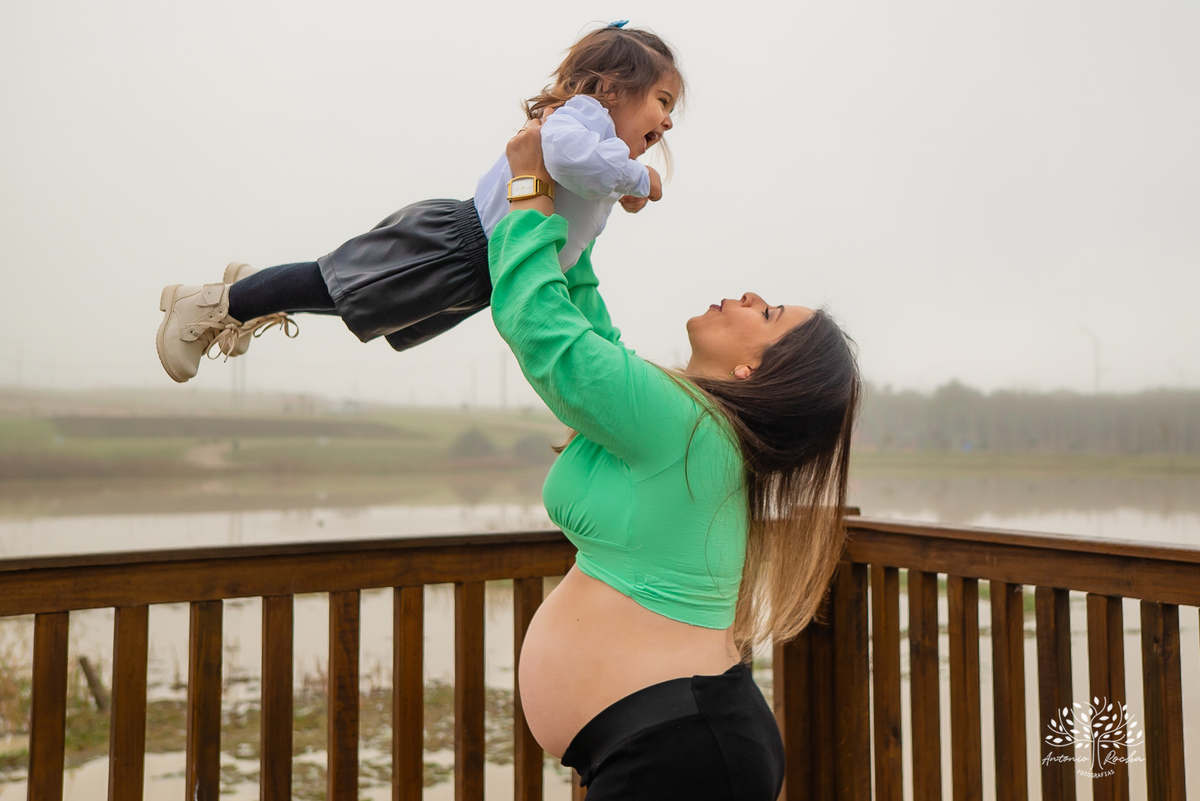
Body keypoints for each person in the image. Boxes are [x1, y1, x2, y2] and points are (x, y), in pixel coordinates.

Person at [493, 117, 862, 798]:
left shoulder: (691, 429)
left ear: (756, 367)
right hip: (674, 747)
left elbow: (546, 334)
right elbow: (588, 333)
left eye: (770, 310)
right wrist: (578, 210)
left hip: (682, 753)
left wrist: (526, 191)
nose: (750, 295)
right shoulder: (690, 426)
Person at [155, 22, 681, 382]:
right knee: (342, 289)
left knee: (354, 300)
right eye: (662, 102)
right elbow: (566, 158)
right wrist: (640, 180)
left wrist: (619, 189)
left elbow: (581, 186)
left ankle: (256, 290)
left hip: (479, 270)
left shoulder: (599, 139)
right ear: (612, 88)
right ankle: (212, 304)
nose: (669, 121)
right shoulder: (584, 115)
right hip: (460, 246)